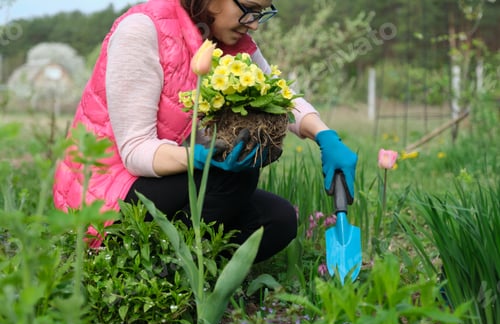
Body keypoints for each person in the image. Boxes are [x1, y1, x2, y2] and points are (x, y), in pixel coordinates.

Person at [53, 0, 357, 263]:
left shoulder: (226, 41)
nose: (254, 25)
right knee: (235, 174)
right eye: (250, 11)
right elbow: (135, 151)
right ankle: (165, 278)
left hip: (160, 182)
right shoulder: (142, 30)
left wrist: (325, 136)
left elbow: (279, 97)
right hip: (104, 197)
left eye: (262, 13)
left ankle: (183, 268)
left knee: (277, 220)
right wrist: (202, 158)